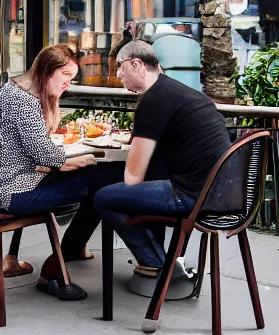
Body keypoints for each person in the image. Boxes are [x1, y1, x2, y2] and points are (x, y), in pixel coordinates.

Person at [94, 40, 232, 275]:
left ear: (136, 64)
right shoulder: (175, 90)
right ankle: (165, 257)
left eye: (119, 67)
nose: (118, 74)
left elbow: (134, 176)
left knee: (102, 196)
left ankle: (156, 262)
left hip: (191, 196)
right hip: (218, 193)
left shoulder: (153, 99)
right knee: (147, 176)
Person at [0, 44, 97, 300]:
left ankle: (67, 254)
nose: (69, 84)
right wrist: (72, 160)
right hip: (15, 193)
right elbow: (43, 152)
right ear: (47, 71)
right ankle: (53, 275)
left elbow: (35, 152)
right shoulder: (24, 101)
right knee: (97, 187)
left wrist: (63, 162)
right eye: (66, 76)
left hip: (11, 184)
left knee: (88, 179)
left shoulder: (11, 90)